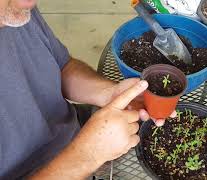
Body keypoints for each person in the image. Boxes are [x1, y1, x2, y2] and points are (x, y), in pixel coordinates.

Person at [0, 0, 174, 179]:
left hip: (76, 133)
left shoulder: (15, 8)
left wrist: (109, 93)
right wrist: (86, 156)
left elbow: (62, 66)